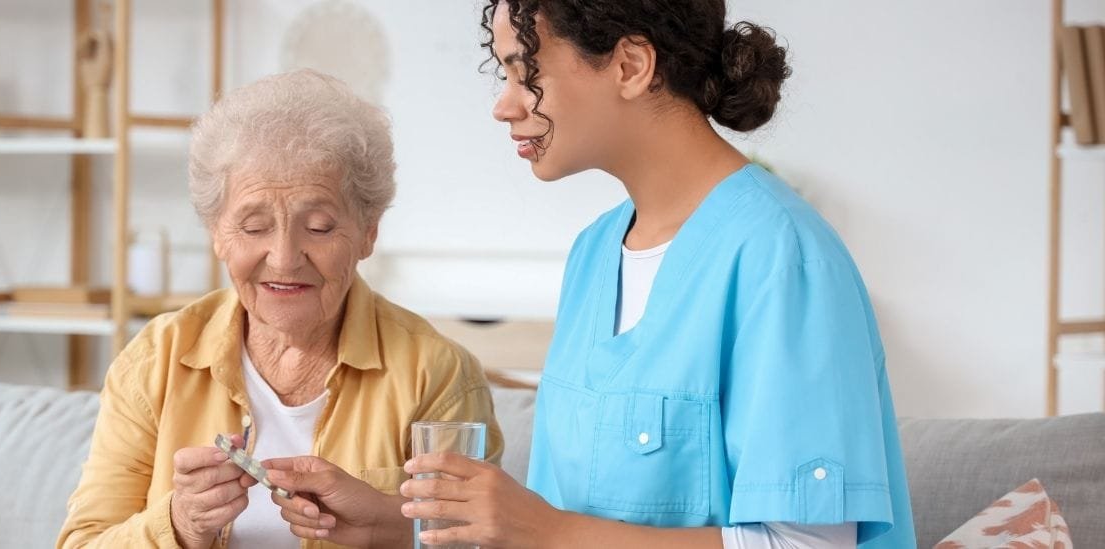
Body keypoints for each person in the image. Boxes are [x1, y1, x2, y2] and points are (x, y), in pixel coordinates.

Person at [272, 2, 915, 547]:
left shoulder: (782, 257)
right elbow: (555, 521)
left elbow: (806, 543)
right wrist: (386, 521)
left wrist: (550, 532)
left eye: (526, 72)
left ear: (631, 66)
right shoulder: (595, 253)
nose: (503, 105)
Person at [57, 69, 503, 549]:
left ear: (368, 232)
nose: (286, 258)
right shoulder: (155, 361)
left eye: (319, 226)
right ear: (216, 234)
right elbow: (83, 541)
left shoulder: (435, 373)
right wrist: (180, 524)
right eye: (253, 227)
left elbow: (475, 543)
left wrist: (386, 527)